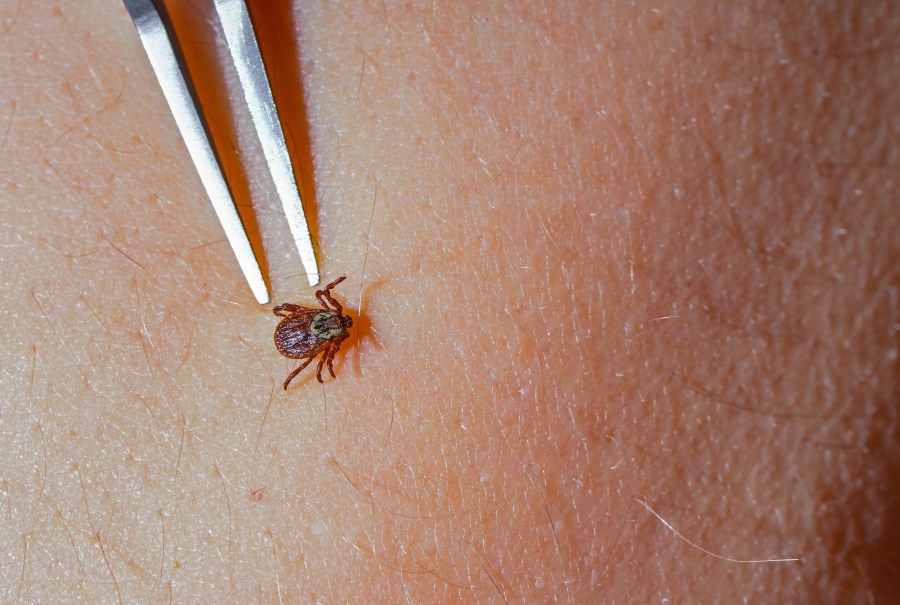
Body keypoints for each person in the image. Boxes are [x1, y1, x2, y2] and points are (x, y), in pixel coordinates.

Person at [1, 1, 896, 602]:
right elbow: (310, 331)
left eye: (331, 325)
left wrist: (309, 334)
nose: (333, 326)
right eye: (329, 324)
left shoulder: (312, 328)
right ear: (319, 324)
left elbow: (304, 326)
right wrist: (317, 339)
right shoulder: (319, 333)